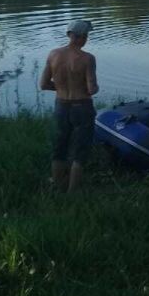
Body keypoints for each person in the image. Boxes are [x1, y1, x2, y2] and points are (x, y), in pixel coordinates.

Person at [39, 19, 99, 193]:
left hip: (61, 105)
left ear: (69, 35)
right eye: (86, 36)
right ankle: (73, 192)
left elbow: (43, 84)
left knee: (60, 146)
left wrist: (61, 87)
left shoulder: (53, 54)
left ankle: (57, 185)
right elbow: (91, 89)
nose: (87, 39)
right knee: (81, 149)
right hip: (82, 106)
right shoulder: (88, 58)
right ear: (81, 37)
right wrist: (93, 88)